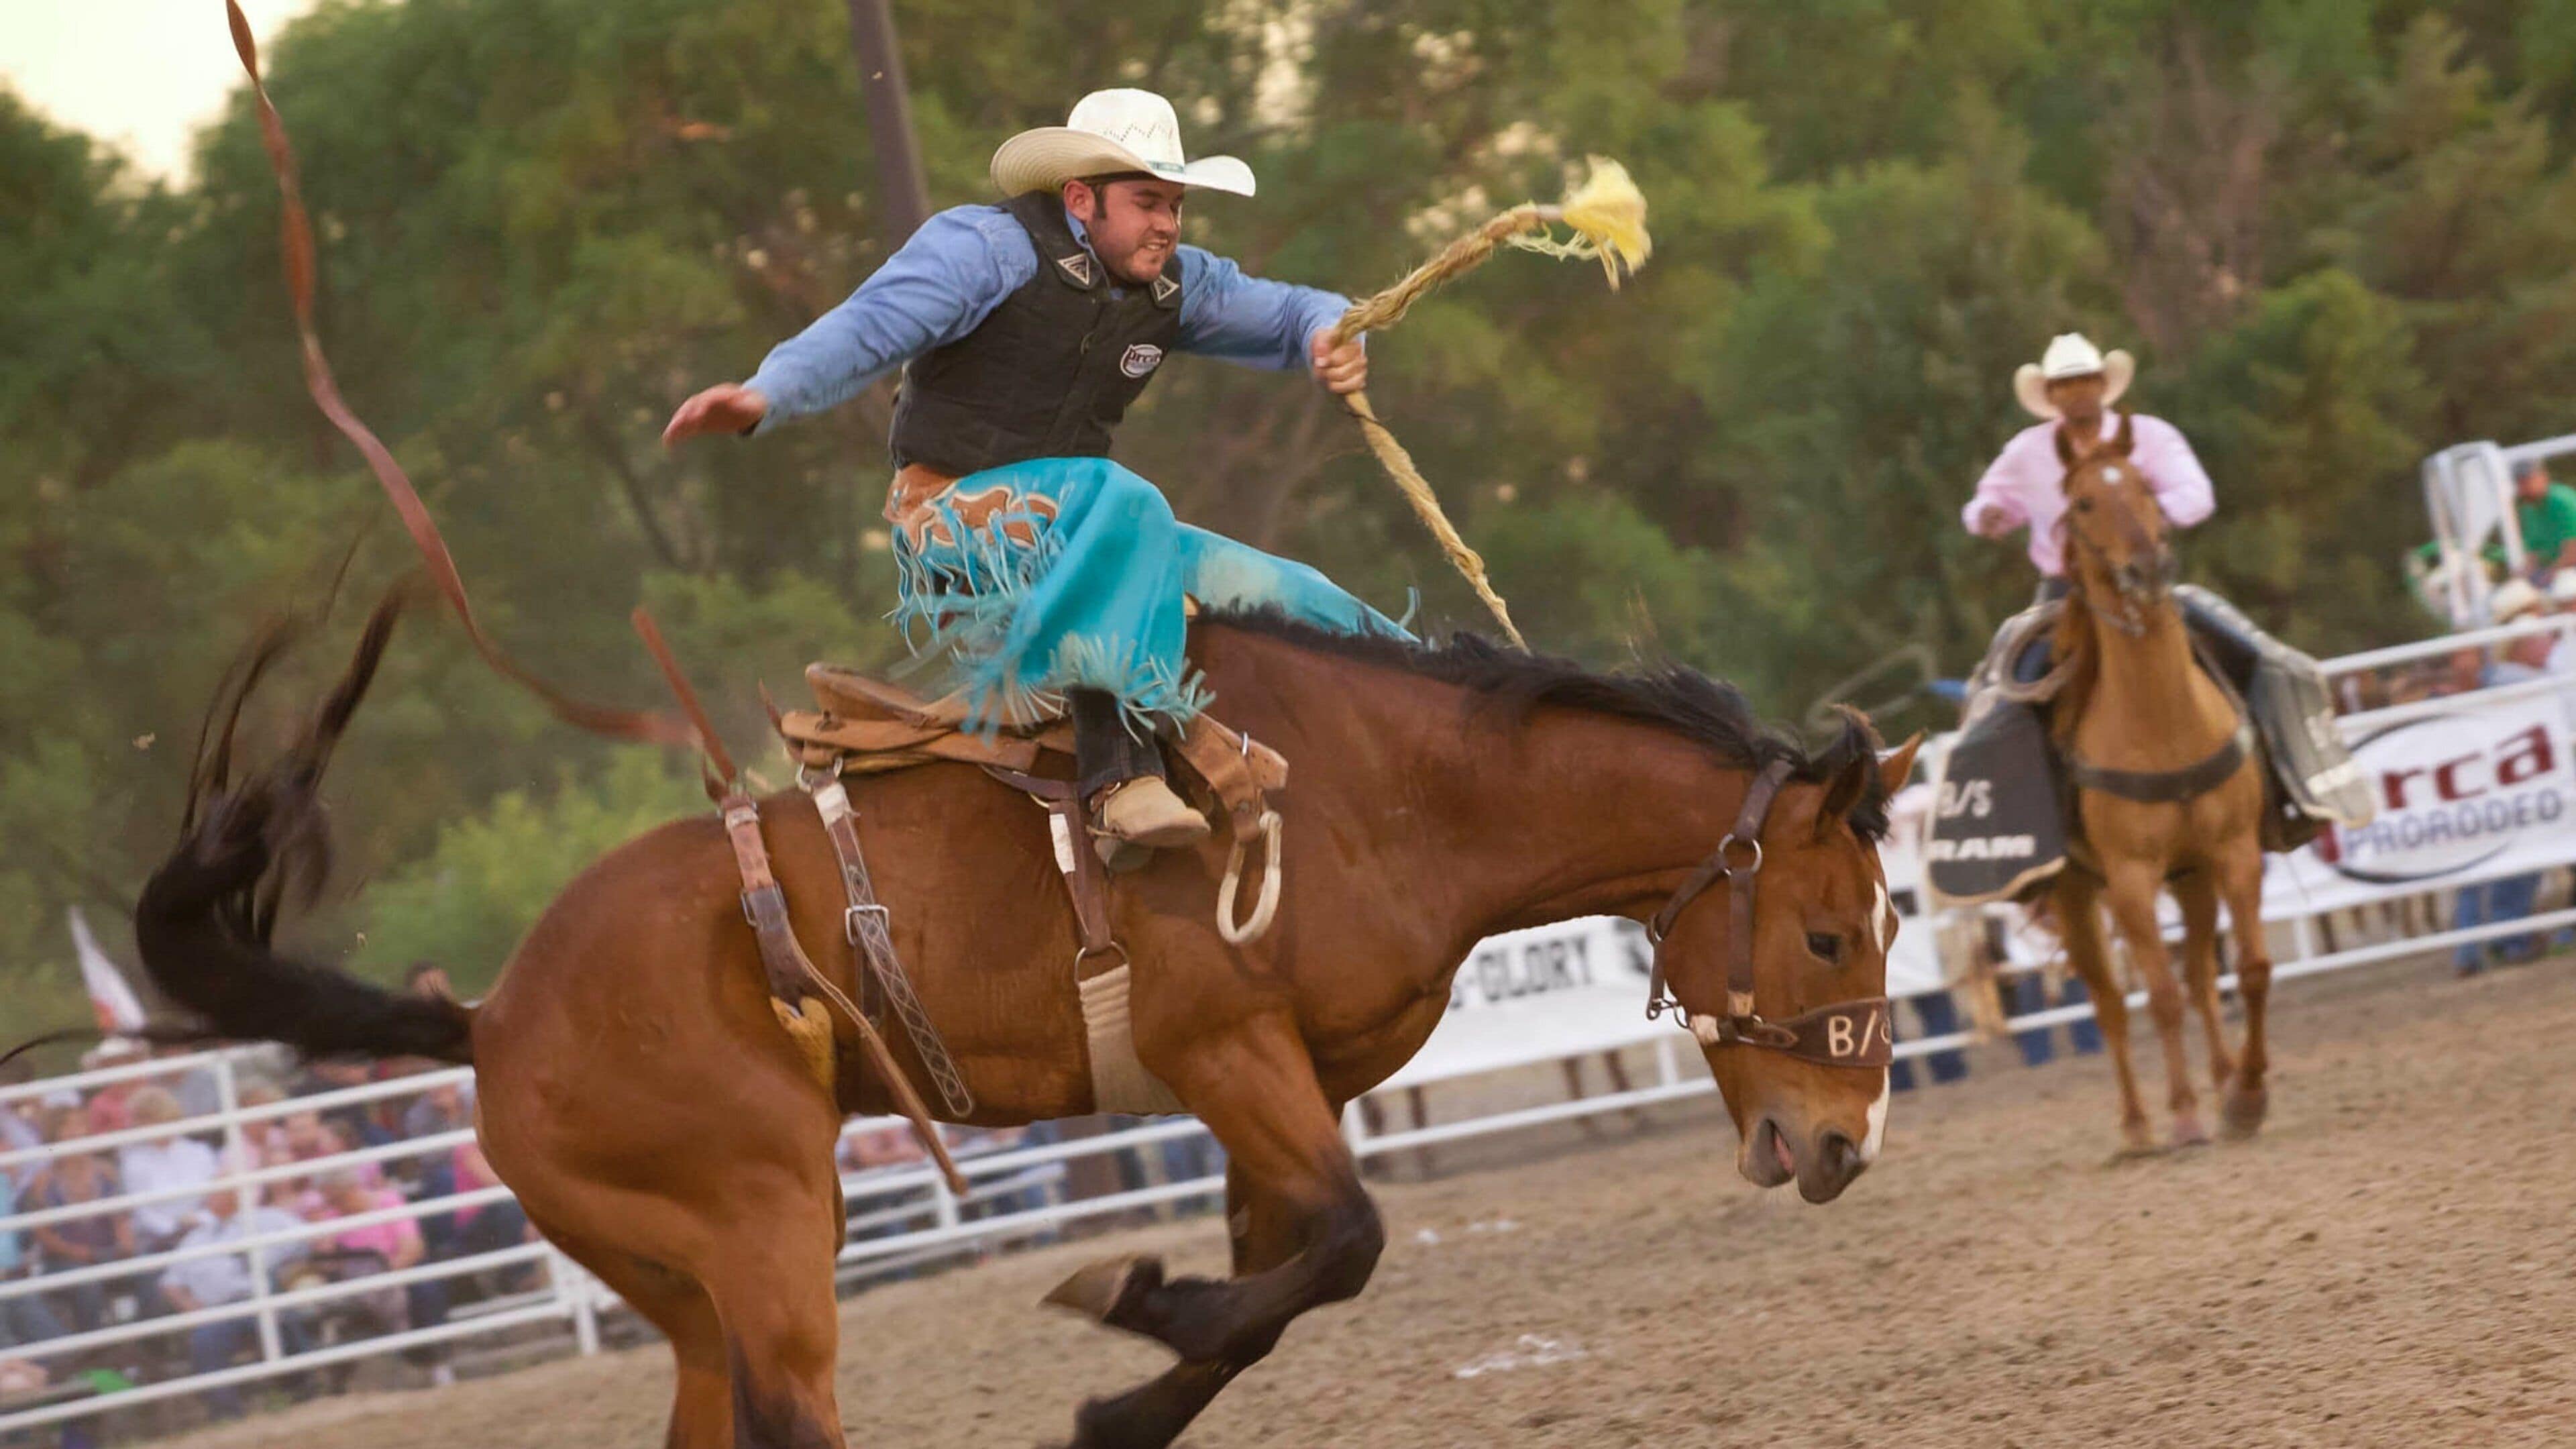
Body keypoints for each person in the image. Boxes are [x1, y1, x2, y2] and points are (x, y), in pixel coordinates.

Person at [663, 87, 1403, 847]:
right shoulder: (985, 250)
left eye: (1176, 205)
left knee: (1293, 594)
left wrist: (1330, 335)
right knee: (1124, 501)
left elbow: (1295, 312)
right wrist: (766, 394)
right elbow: (868, 327)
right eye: (1148, 201)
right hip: (951, 522)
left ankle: (1446, 702)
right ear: (1081, 198)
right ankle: (1117, 780)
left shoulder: (1182, 282)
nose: (1167, 225)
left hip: (1095, 523)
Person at [1962, 333, 2214, 644]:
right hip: (2064, 590)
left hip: (2143, 577)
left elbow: (2196, 494)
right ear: (2051, 395)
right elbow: (1989, 498)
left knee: (2233, 649)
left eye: (2086, 380)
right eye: (2064, 384)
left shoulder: (2150, 435)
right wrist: (1986, 513)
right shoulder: (2026, 450)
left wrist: (2144, 512)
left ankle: (2274, 682)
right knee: (2012, 668)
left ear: (2103, 385)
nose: (2077, 391)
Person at [156, 1177, 309, 1421]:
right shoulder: (196, 1238)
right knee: (204, 1340)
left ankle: (301, 1394)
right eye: (213, 1194)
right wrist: (190, 1307)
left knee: (280, 1320)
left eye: (219, 1193)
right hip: (216, 1311)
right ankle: (226, 1413)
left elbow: (305, 1240)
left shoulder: (268, 1219)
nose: (212, 1199)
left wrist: (275, 1264)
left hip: (258, 1299)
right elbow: (170, 1281)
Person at [116, 1087, 222, 1256]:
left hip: (205, 1231)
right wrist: (175, 1229)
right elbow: (143, 1211)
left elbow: (217, 1198)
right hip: (158, 1242)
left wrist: (201, 1220)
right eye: (149, 1122)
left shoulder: (200, 1152)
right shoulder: (134, 1161)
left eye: (162, 1120)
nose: (158, 1128)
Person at [2510, 459, 2576, 580]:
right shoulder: (2528, 510)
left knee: (2566, 589)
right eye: (2520, 483)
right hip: (2555, 571)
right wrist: (2523, 575)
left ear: (2543, 477)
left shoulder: (2563, 502)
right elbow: (2533, 553)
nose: (2524, 487)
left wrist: (2550, 574)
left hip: (2567, 571)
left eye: (2527, 481)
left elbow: (2573, 551)